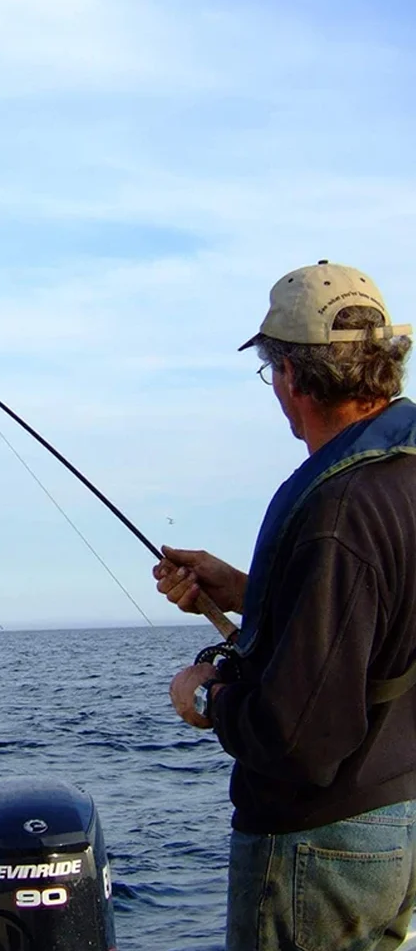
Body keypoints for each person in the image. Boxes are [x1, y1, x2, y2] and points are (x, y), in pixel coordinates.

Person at [153, 260, 416, 951]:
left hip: (325, 843)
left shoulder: (340, 509)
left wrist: (205, 694)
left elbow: (298, 740)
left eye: (271, 371)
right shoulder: (403, 477)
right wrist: (248, 592)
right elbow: (383, 612)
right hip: (402, 819)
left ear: (292, 376)